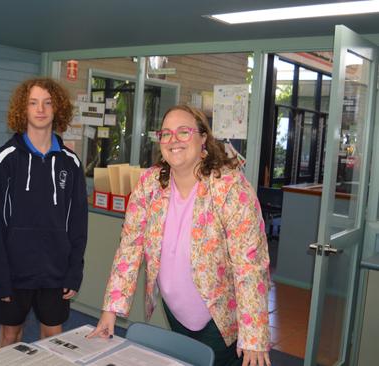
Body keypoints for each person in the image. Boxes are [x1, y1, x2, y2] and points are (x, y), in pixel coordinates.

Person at [88, 105, 271, 366]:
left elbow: (250, 265)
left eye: (184, 132)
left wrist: (254, 336)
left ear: (203, 138)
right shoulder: (150, 184)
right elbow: (129, 247)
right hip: (174, 311)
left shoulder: (231, 188)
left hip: (218, 320)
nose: (174, 140)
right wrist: (110, 310)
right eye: (166, 134)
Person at [0, 77, 88, 347]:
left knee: (53, 339)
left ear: (58, 109)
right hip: (15, 270)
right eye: (33, 103)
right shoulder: (4, 158)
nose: (40, 109)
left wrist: (74, 272)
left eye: (47, 103)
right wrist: (0, 278)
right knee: (10, 336)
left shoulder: (71, 162)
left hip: (55, 270)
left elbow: (78, 223)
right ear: (23, 109)